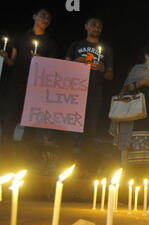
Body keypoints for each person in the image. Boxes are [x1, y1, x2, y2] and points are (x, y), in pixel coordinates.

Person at [0, 9, 57, 166]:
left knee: (30, 125)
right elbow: (12, 61)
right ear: (34, 17)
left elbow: (51, 67)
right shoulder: (21, 37)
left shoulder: (50, 42)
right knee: (9, 121)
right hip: (16, 84)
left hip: (36, 89)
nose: (45, 19)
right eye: (43, 15)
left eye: (48, 17)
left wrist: (40, 61)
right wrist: (5, 58)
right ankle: (5, 157)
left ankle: (23, 160)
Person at [65, 17, 114, 153]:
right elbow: (63, 66)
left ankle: (85, 159)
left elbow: (110, 76)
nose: (96, 28)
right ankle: (69, 155)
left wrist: (103, 69)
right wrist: (76, 61)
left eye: (99, 26)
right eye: (93, 25)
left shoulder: (106, 49)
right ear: (86, 26)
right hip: (74, 92)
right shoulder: (76, 45)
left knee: (90, 129)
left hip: (94, 93)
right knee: (72, 127)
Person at [109, 47, 149, 165]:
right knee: (135, 138)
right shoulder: (137, 69)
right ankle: (133, 171)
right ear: (146, 55)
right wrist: (142, 83)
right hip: (138, 109)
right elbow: (125, 89)